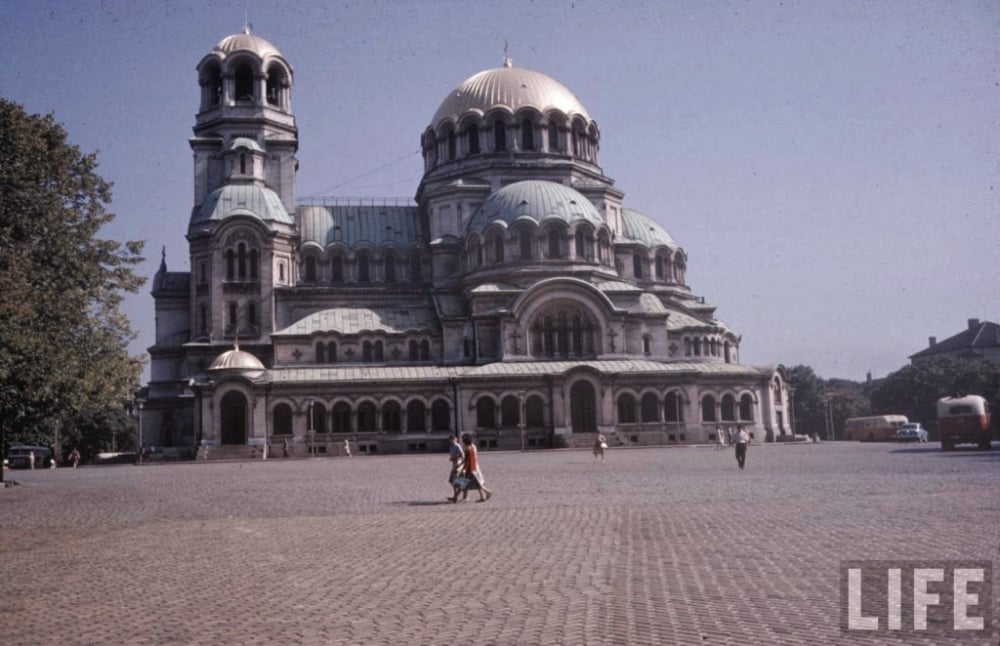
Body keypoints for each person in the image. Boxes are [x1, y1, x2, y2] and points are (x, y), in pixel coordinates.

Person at [460, 433, 492, 502]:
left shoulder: (468, 448)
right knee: (476, 482)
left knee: (475, 482)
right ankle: (481, 496)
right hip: (475, 466)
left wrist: (464, 468)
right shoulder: (473, 446)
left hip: (472, 467)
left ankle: (487, 492)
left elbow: (468, 460)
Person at [446, 433, 465, 503]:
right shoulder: (451, 447)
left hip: (458, 466)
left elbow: (462, 455)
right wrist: (451, 458)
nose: (452, 441)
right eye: (451, 440)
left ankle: (457, 496)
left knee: (458, 481)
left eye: (453, 440)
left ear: (456, 439)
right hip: (454, 465)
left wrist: (456, 458)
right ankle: (455, 495)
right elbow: (452, 455)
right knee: (452, 481)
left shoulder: (457, 446)